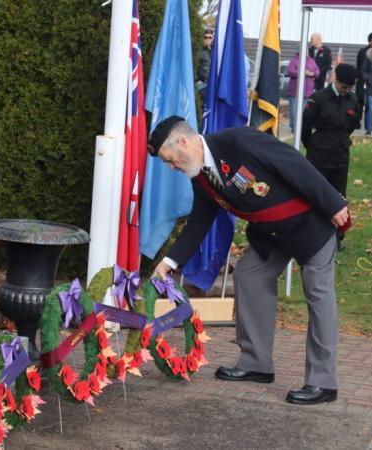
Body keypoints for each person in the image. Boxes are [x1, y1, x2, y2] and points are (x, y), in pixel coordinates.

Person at [148, 116, 349, 405]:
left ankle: (323, 382)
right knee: (248, 276)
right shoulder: (202, 177)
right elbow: (199, 222)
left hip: (309, 226)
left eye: (170, 160)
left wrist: (333, 203)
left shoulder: (239, 141)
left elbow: (293, 163)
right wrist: (168, 263)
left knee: (318, 293)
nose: (171, 167)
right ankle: (256, 363)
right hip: (272, 235)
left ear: (183, 141)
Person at [302, 64, 361, 248]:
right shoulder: (318, 99)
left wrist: (340, 142)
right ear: (336, 80)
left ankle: (336, 237)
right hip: (319, 156)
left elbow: (351, 125)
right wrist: (314, 146)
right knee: (316, 196)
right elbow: (305, 128)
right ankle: (313, 234)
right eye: (344, 87)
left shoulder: (352, 100)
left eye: (350, 88)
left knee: (339, 198)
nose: (347, 91)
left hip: (340, 157)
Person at [287, 47, 320, 133]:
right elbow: (290, 72)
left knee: (303, 111)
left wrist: (313, 73)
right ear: (299, 51)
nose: (306, 53)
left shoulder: (312, 61)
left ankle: (301, 126)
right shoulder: (294, 61)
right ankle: (294, 126)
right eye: (304, 51)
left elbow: (317, 72)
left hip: (307, 91)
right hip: (294, 91)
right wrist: (303, 72)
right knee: (294, 111)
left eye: (307, 51)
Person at [356, 32, 372, 127]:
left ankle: (368, 125)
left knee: (371, 103)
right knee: (359, 101)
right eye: (370, 40)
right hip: (361, 80)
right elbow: (358, 66)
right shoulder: (362, 51)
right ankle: (357, 122)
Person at [195, 29, 213, 97]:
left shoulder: (215, 52)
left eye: (210, 37)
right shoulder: (199, 51)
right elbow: (193, 66)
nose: (207, 39)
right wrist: (196, 80)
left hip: (213, 85)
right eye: (205, 37)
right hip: (201, 84)